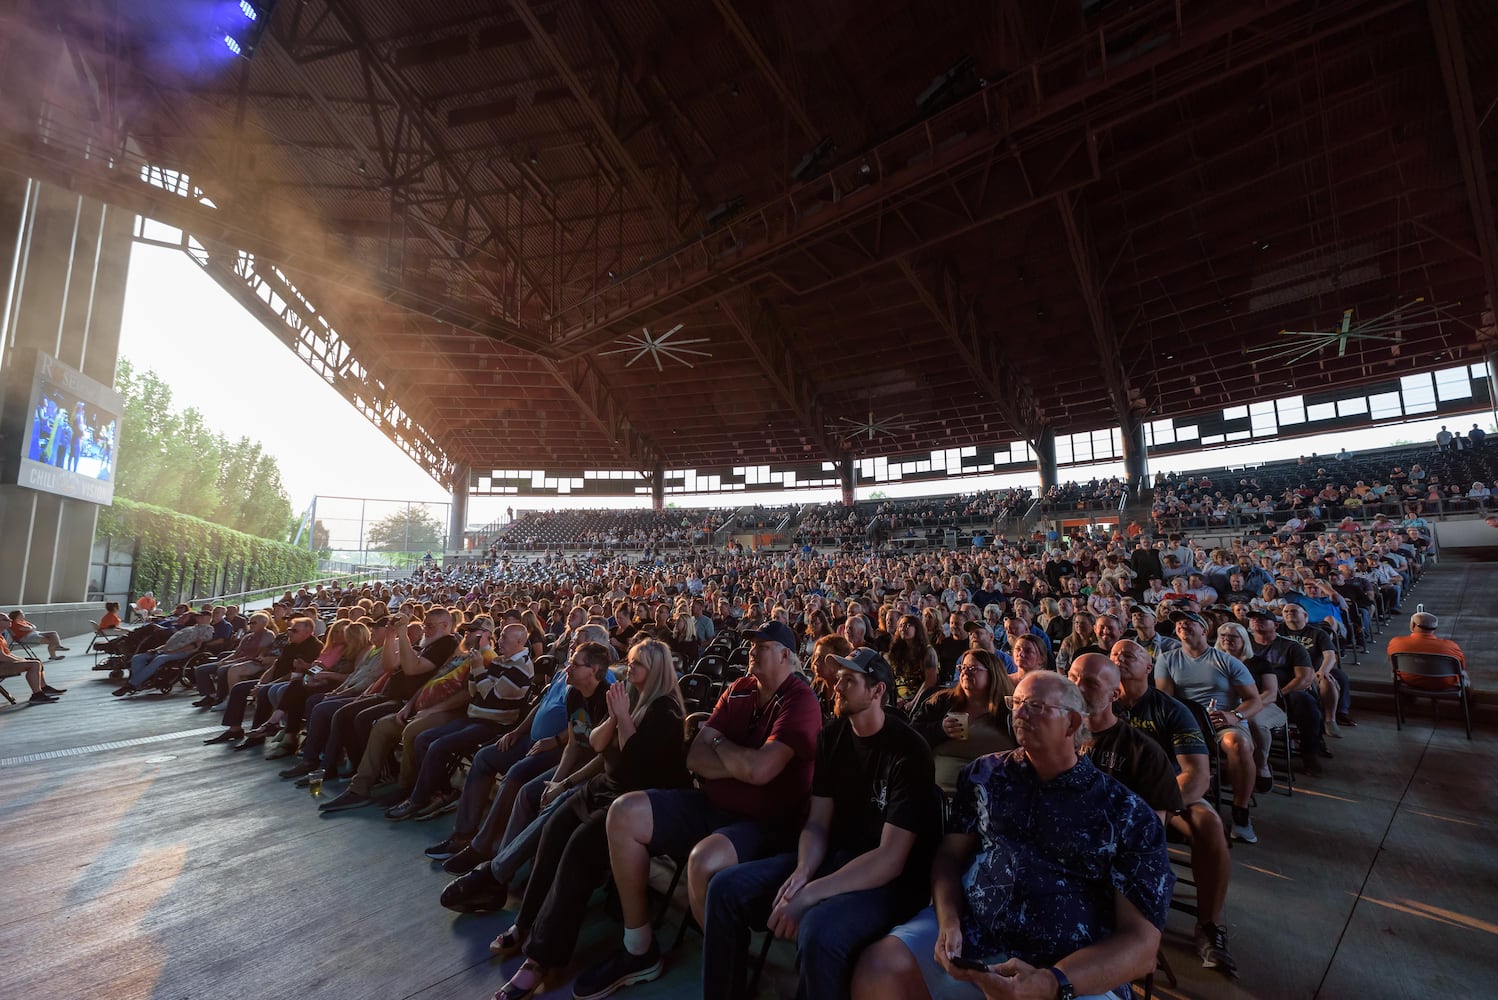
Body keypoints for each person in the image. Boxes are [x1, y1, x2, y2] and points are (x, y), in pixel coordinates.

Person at [851, 671, 1172, 1000]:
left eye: (1036, 705)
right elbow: (949, 856)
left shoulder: (1126, 812)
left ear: (1073, 724)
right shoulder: (983, 775)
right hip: (973, 932)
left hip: (1071, 964)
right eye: (1016, 703)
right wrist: (948, 921)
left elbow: (1142, 944)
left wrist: (1050, 982)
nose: (1019, 713)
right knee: (879, 968)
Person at [573, 620, 821, 1000]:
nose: (752, 650)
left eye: (763, 645)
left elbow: (761, 771)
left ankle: (728, 978)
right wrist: (735, 758)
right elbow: (696, 756)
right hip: (712, 803)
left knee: (703, 862)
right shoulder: (739, 689)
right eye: (750, 643)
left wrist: (721, 745)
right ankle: (638, 948)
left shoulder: (799, 700)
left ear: (786, 654)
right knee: (624, 812)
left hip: (767, 823)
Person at [703, 646, 941, 999]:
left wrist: (812, 891)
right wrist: (802, 872)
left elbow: (890, 859)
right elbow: (817, 823)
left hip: (891, 883)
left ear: (877, 691)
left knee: (818, 929)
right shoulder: (832, 737)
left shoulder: (908, 751)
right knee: (724, 888)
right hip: (834, 860)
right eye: (838, 678)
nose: (836, 686)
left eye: (849, 680)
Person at [486, 639, 690, 1000]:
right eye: (628, 663)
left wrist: (624, 717)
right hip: (606, 786)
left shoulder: (666, 712)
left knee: (579, 850)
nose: (629, 671)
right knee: (553, 830)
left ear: (655, 670)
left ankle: (539, 958)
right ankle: (525, 922)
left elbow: (637, 767)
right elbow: (595, 744)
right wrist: (614, 716)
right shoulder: (626, 697)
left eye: (637, 665)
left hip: (640, 801)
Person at [1110, 639, 1236, 977]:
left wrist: (1146, 807)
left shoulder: (1172, 710)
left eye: (1130, 655)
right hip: (1107, 796)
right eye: (1114, 655)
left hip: (1165, 799)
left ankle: (1209, 926)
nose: (1120, 658)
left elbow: (1196, 776)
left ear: (1149, 666)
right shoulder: (1098, 706)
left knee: (1207, 823)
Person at [1155, 610, 1264, 844]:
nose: (1182, 626)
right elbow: (1165, 698)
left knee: (1238, 743)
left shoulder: (1227, 661)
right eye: (1178, 624)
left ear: (1204, 630)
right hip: (1185, 723)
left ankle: (1240, 812)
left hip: (1222, 721)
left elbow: (1254, 700)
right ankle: (1173, 808)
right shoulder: (1167, 659)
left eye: (1189, 623)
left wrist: (1234, 715)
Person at [1068, 653, 1183, 822]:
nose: (1078, 688)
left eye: (1091, 683)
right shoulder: (1055, 736)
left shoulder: (1143, 752)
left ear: (1114, 695)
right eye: (1072, 678)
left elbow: (1153, 827)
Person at [911, 648, 1016, 793]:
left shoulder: (1008, 709)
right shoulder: (942, 702)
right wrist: (940, 729)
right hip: (941, 793)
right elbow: (912, 736)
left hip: (994, 796)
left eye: (973, 669)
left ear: (993, 674)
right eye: (963, 667)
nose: (965, 672)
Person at [113, 608, 214, 696]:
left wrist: (174, 651)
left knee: (159, 659)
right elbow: (170, 642)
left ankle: (132, 684)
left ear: (208, 618)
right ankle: (138, 682)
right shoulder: (190, 628)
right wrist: (158, 649)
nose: (198, 618)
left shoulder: (207, 629)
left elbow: (195, 645)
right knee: (138, 658)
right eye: (198, 616)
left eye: (201, 617)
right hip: (168, 649)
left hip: (183, 652)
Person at [1387, 611, 1467, 691]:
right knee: (1465, 677)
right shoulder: (1451, 646)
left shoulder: (1396, 642)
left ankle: (1406, 700)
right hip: (1443, 683)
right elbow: (1461, 667)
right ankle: (1467, 701)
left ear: (1413, 625)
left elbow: (1392, 663)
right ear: (1435, 628)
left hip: (1409, 680)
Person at [0, 631, 65, 703]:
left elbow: (8, 654)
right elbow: (2, 657)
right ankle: (37, 695)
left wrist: (22, 660)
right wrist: (23, 661)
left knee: (35, 661)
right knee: (34, 664)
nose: (9, 620)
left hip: (3, 664)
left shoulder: (1, 636)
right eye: (5, 619)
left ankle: (43, 688)